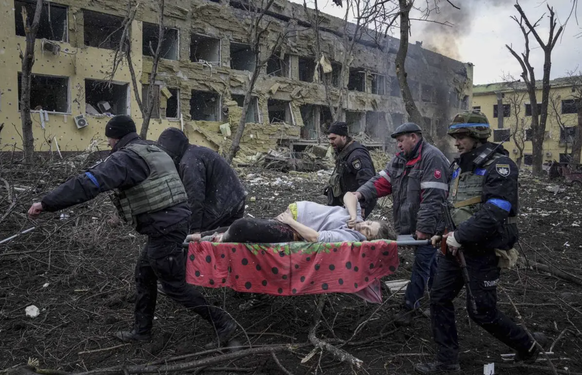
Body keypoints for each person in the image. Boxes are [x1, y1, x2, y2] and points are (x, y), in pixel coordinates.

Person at [27, 115, 236, 347]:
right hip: (171, 222)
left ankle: (222, 323)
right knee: (144, 273)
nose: (108, 144)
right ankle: (142, 332)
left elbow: (89, 183)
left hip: (165, 226)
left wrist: (47, 203)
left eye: (109, 139)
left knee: (174, 286)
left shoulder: (126, 159)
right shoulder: (151, 148)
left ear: (115, 138)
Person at [415, 111, 546, 374]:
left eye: (462, 136)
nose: (457, 141)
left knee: (482, 312)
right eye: (456, 136)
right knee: (439, 298)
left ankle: (528, 347)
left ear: (477, 136)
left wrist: (459, 237)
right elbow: (454, 207)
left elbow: (495, 211)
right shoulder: (459, 166)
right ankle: (447, 363)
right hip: (454, 249)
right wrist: (443, 233)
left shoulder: (500, 166)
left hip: (482, 251)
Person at [354, 122, 450, 326]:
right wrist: (360, 194)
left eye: (400, 141)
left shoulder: (432, 158)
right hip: (413, 225)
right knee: (431, 263)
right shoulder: (400, 160)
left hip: (432, 226)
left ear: (414, 138)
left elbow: (433, 199)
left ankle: (409, 306)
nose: (398, 145)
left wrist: (423, 229)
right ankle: (439, 300)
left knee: (422, 263)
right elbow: (381, 182)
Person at [157, 128, 247, 241]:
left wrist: (194, 230)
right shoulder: (193, 153)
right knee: (225, 242)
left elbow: (195, 197)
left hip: (224, 203)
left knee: (196, 240)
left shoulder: (189, 162)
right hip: (234, 198)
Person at [214, 192, 391, 244]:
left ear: (366, 240)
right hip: (291, 217)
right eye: (368, 223)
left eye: (367, 232)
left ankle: (213, 240)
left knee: (242, 226)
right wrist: (353, 215)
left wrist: (290, 221)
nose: (363, 226)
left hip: (292, 228)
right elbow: (349, 196)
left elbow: (315, 237)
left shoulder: (349, 236)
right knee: (244, 226)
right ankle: (203, 236)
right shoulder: (356, 218)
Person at [324, 121, 377, 218]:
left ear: (344, 136)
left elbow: (367, 181)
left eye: (333, 138)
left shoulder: (357, 155)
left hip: (356, 202)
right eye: (329, 139)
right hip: (347, 202)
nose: (331, 142)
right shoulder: (343, 153)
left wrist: (362, 205)